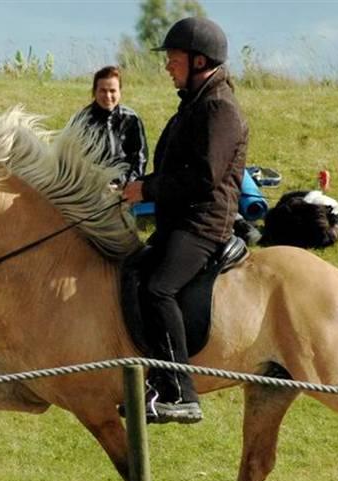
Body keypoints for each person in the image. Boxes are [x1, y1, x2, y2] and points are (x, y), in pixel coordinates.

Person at [121, 17, 248, 424]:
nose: (167, 65)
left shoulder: (218, 108)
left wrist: (148, 189)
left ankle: (181, 392)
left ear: (198, 61)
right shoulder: (194, 104)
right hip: (180, 222)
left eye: (173, 58)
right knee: (135, 270)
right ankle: (155, 381)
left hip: (203, 225)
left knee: (160, 289)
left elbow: (203, 178)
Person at [70, 65, 148, 186]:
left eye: (112, 91)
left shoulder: (131, 119)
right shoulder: (82, 120)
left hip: (124, 189)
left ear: (120, 92)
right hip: (89, 189)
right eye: (103, 90)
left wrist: (127, 184)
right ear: (94, 92)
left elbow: (139, 158)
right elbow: (72, 160)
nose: (108, 96)